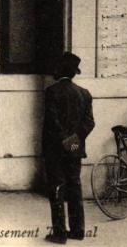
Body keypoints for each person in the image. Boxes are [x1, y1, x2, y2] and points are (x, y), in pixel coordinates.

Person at [42, 52, 94, 244]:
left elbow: (53, 123)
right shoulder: (84, 93)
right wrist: (72, 142)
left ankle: (59, 233)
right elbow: (89, 123)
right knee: (74, 187)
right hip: (75, 149)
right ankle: (78, 230)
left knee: (57, 187)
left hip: (55, 150)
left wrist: (64, 141)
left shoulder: (52, 92)